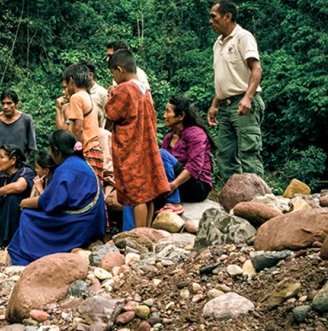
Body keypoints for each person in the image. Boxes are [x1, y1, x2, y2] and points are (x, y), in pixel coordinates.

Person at [7, 131, 106, 266]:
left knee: (28, 215)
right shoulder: (82, 163)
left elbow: (51, 204)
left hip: (79, 225)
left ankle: (29, 255)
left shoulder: (64, 169)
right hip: (94, 222)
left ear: (57, 151)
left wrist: (25, 202)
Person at [104, 50, 170, 229]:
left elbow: (111, 112)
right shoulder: (144, 89)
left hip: (131, 148)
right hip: (145, 145)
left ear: (120, 70)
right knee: (147, 194)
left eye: (113, 74)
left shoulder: (125, 89)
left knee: (137, 195)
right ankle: (147, 232)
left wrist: (112, 94)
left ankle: (140, 234)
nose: (114, 78)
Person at [207, 0, 264, 181]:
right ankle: (236, 198)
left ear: (227, 16)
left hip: (244, 102)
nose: (211, 21)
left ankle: (257, 201)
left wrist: (248, 98)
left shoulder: (243, 37)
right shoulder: (218, 43)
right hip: (225, 105)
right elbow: (225, 77)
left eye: (214, 17)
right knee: (225, 154)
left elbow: (256, 69)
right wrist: (214, 105)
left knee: (249, 152)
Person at [159, 94, 215, 211]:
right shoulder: (168, 138)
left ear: (181, 116)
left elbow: (194, 166)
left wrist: (173, 185)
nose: (164, 116)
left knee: (161, 153)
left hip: (197, 186)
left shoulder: (195, 133)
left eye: (168, 111)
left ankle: (174, 203)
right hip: (176, 185)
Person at [57, 64, 104, 185]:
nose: (66, 90)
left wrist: (75, 155)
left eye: (66, 85)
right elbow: (71, 123)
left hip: (86, 151)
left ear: (71, 80)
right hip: (96, 151)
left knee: (83, 191)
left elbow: (78, 128)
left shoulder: (76, 98)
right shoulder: (90, 98)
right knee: (95, 191)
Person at [0, 90, 37, 163]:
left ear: (16, 104)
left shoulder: (26, 120)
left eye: (9, 103)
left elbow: (31, 146)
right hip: (0, 167)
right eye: (3, 103)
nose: (5, 107)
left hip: (20, 166)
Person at [78, 60, 109, 128]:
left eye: (80, 75)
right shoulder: (76, 95)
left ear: (91, 75)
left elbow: (108, 118)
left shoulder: (102, 93)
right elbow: (72, 119)